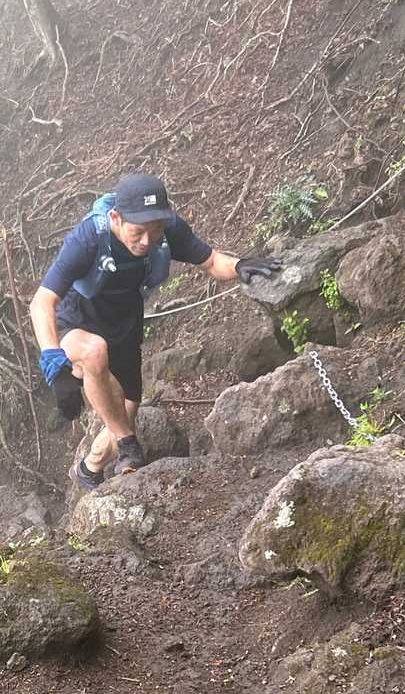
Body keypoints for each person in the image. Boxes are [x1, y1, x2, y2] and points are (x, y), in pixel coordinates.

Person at [29, 172, 278, 490]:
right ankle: (128, 444)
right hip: (78, 321)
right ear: (116, 218)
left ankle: (89, 469)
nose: (147, 241)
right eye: (138, 231)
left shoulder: (167, 230)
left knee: (125, 410)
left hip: (124, 325)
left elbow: (212, 261)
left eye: (155, 229)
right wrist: (56, 366)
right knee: (94, 353)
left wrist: (241, 265)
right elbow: (41, 302)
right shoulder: (89, 238)